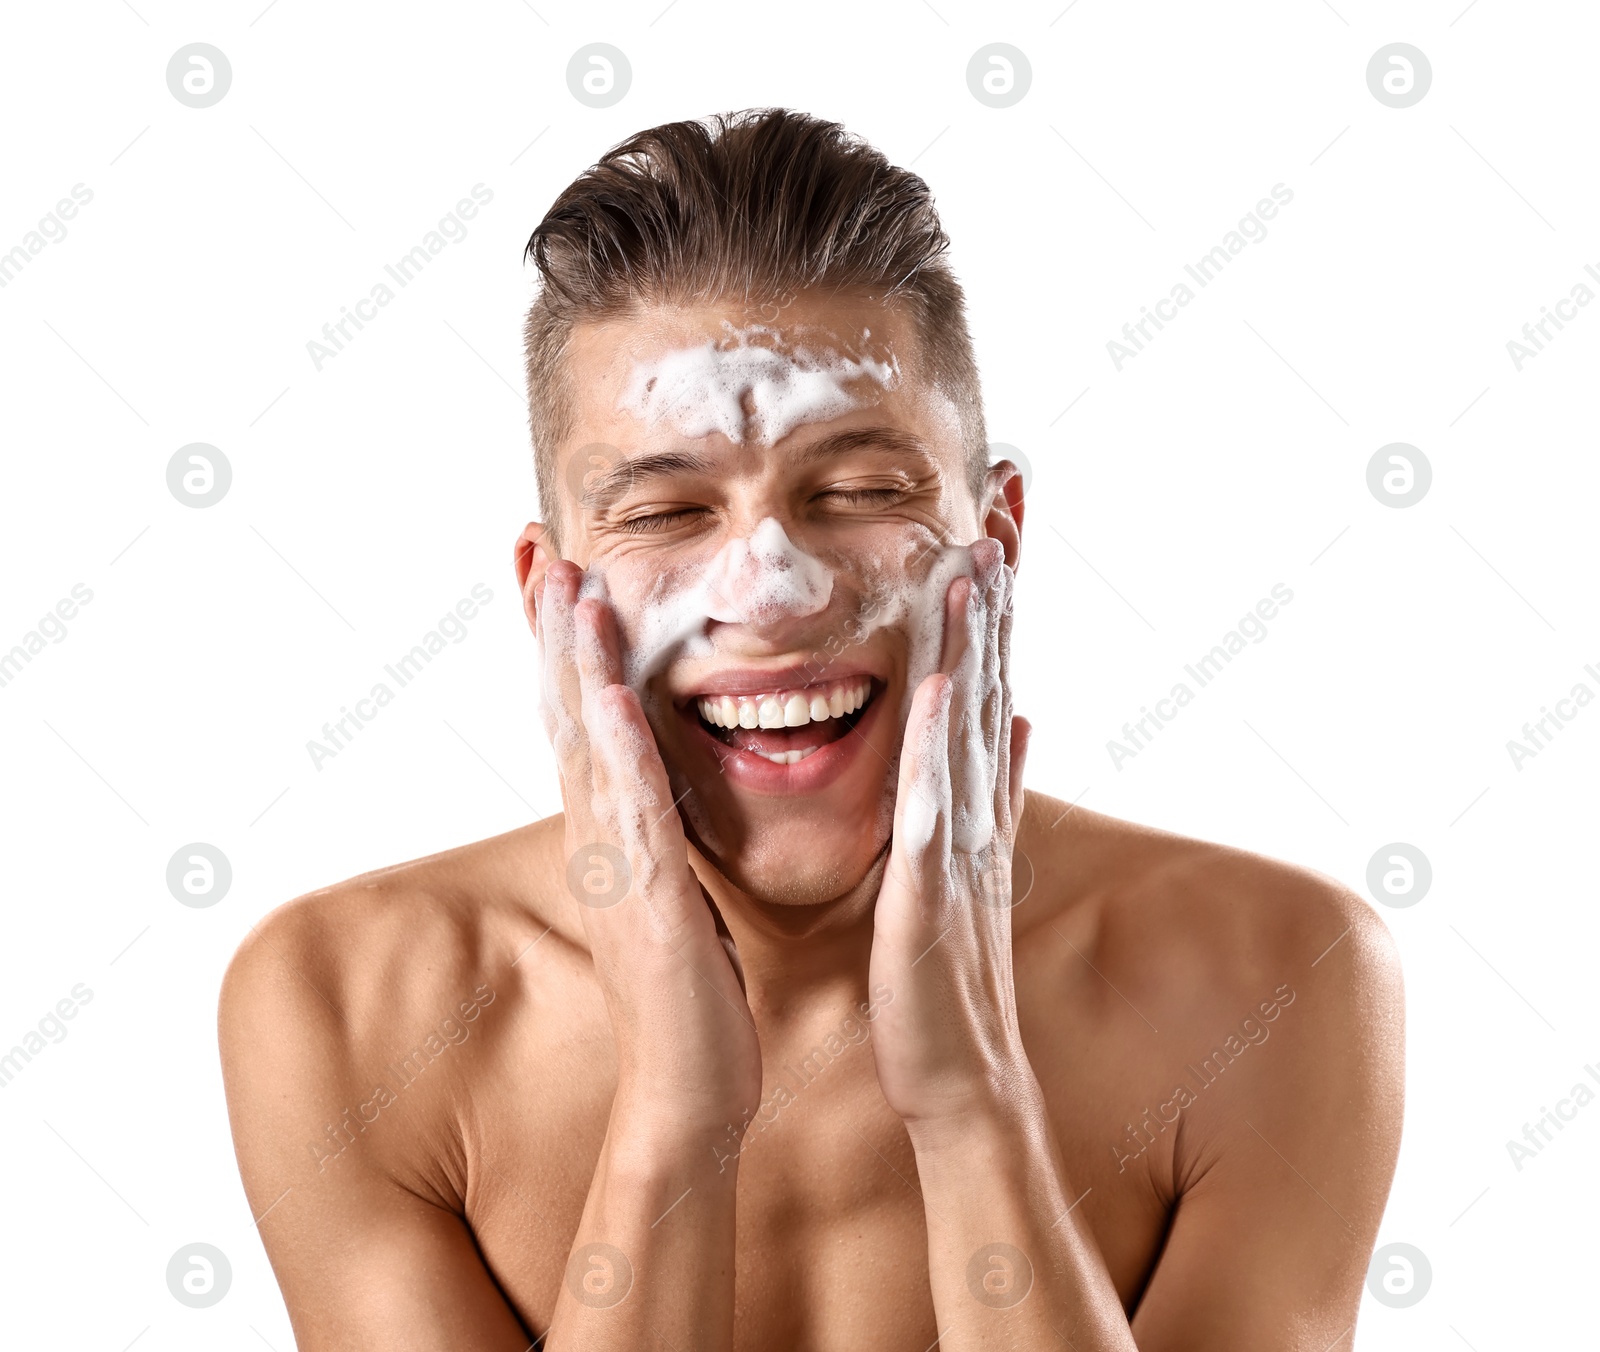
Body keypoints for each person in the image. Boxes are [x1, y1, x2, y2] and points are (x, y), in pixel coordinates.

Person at [219, 108, 1403, 1351]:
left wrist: (972, 1099)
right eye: (666, 511)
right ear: (546, 594)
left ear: (992, 541)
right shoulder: (348, 1006)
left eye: (856, 492)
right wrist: (675, 1112)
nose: (772, 590)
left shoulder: (1275, 977)